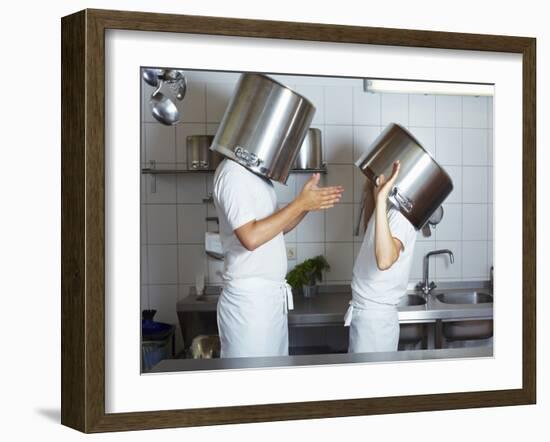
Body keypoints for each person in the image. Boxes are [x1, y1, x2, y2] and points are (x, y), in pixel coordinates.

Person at [213, 158, 344, 358]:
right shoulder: (232, 172)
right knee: (249, 383)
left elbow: (277, 228)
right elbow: (251, 237)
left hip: (270, 303)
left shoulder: (257, 175)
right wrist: (300, 203)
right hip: (249, 306)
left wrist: (306, 206)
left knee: (272, 382)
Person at [345, 160, 417, 353]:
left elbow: (385, 259)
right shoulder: (386, 211)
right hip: (367, 317)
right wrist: (374, 193)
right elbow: (370, 228)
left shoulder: (402, 216)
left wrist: (382, 196)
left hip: (375, 324)